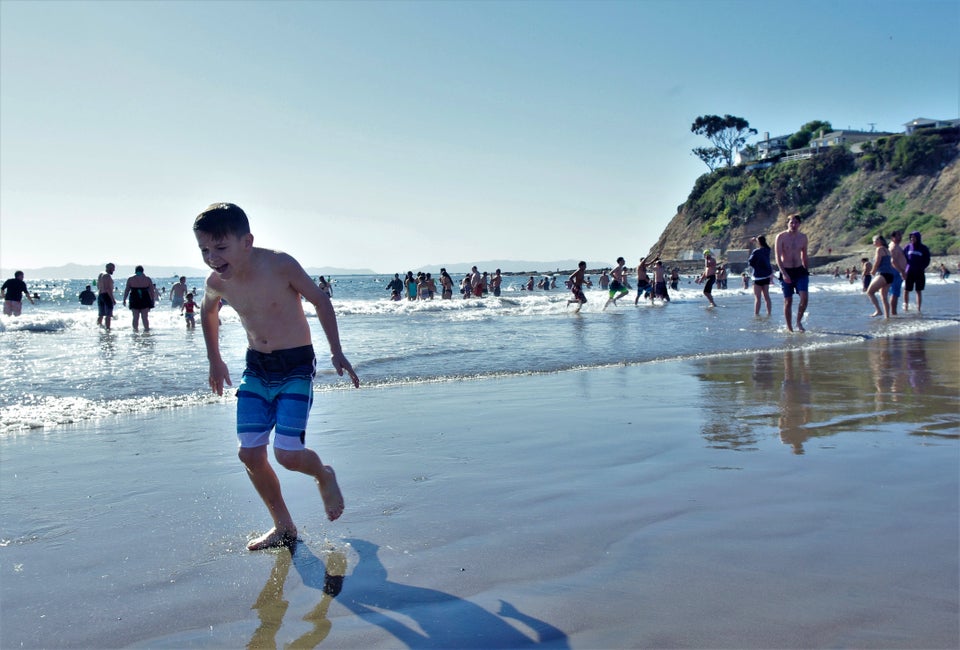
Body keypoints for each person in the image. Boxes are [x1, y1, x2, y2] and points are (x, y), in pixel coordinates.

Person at [193, 202, 359, 551]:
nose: (212, 257)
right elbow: (208, 313)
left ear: (247, 242)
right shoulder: (216, 282)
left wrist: (336, 350)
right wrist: (214, 360)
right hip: (256, 367)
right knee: (250, 455)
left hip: (296, 366)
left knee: (287, 454)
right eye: (204, 249)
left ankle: (323, 475)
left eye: (220, 248)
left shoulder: (280, 265)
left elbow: (320, 301)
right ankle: (283, 526)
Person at [774, 213, 809, 332]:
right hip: (786, 270)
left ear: (799, 224)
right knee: (788, 301)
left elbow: (804, 255)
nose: (793, 225)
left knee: (804, 298)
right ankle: (789, 328)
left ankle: (798, 321)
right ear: (787, 223)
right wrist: (783, 273)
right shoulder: (781, 237)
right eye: (791, 222)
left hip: (800, 270)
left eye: (796, 223)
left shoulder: (803, 237)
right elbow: (777, 257)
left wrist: (806, 270)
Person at [866, 234, 895, 319]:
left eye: (875, 241)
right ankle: (887, 317)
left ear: (880, 241)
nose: (873, 243)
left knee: (870, 292)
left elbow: (877, 261)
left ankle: (878, 310)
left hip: (883, 274)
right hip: (890, 275)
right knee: (884, 296)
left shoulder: (879, 249)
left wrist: (873, 271)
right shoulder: (887, 250)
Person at [122, 265, 158, 332]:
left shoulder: (130, 279)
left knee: (135, 317)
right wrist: (152, 300)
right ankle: (146, 331)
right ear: (142, 271)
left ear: (135, 271)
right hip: (145, 298)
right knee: (145, 317)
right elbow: (152, 291)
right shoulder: (147, 279)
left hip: (134, 297)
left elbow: (127, 290)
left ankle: (135, 331)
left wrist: (124, 299)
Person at [902, 230, 931, 312]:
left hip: (919, 272)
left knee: (918, 290)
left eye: (914, 237)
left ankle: (918, 308)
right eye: (911, 237)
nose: (912, 239)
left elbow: (927, 260)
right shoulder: (907, 247)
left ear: (918, 238)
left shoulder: (923, 248)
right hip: (909, 271)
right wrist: (904, 269)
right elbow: (903, 258)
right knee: (906, 290)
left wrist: (922, 267)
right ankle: (906, 306)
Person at [748, 235, 773, 317]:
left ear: (758, 242)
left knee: (757, 298)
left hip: (757, 277)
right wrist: (756, 240)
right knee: (767, 297)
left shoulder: (756, 251)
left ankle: (756, 315)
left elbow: (750, 262)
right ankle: (769, 313)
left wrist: (752, 244)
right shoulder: (768, 250)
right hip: (766, 276)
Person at [888, 230, 908, 316]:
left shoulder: (896, 246)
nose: (899, 238)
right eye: (897, 236)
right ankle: (893, 313)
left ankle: (893, 312)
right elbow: (893, 261)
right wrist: (902, 271)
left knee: (895, 292)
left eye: (900, 236)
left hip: (896, 271)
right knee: (894, 293)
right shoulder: (893, 247)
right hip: (895, 272)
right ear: (892, 238)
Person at [96, 263, 117, 329]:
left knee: (101, 315)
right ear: (109, 268)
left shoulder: (100, 274)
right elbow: (108, 289)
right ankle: (108, 329)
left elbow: (98, 286)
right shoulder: (107, 276)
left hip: (100, 295)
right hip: (106, 296)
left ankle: (98, 328)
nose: (113, 270)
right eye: (113, 269)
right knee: (108, 315)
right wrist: (113, 299)